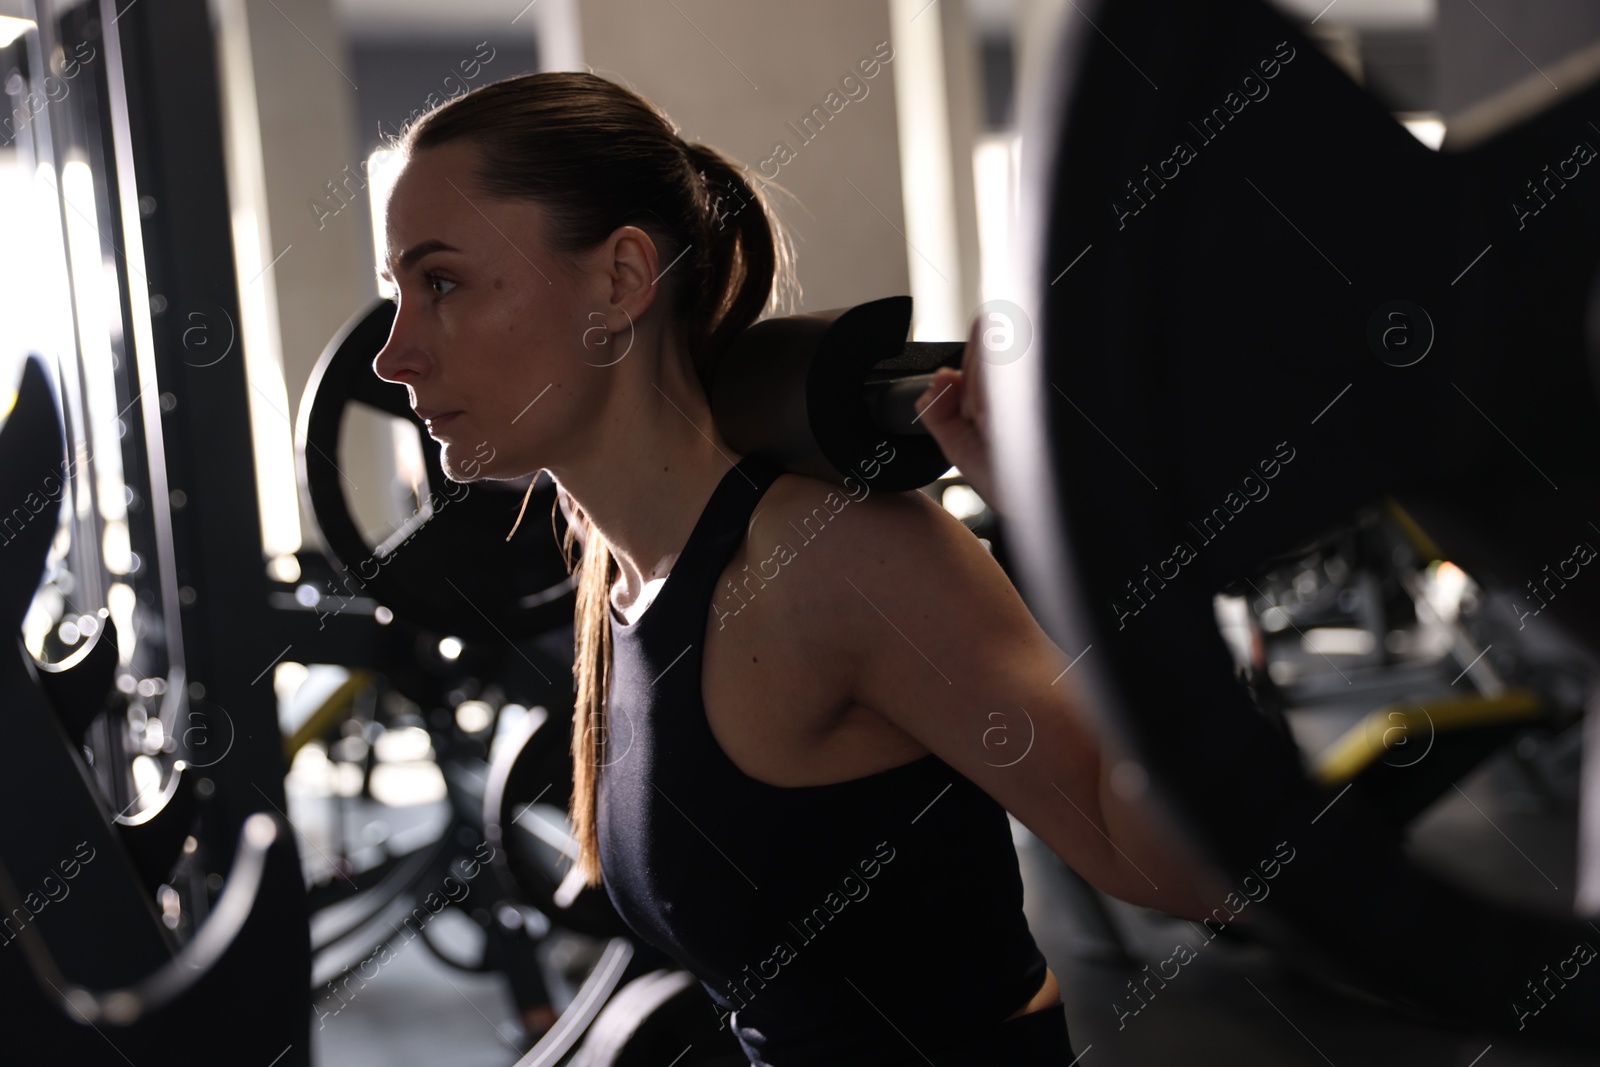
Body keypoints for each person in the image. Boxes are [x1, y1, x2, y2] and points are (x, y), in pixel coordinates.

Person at [373, 70, 1216, 1066]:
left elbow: (1176, 865)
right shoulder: (619, 566)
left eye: (442, 283)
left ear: (618, 280)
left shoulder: (840, 559)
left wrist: (1080, 528)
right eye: (397, 293)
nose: (392, 356)